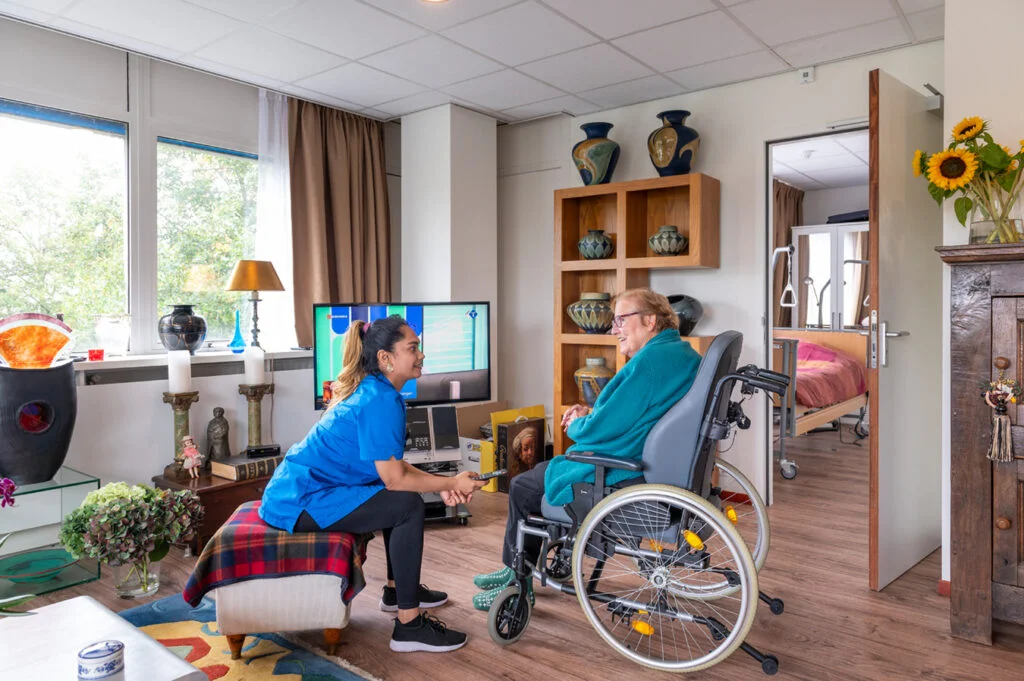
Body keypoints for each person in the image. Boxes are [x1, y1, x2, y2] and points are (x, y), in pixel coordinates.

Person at [259, 314, 486, 653]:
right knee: (407, 505)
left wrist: (442, 484)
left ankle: (397, 592)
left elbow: (390, 466)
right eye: (413, 348)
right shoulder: (380, 400)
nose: (421, 354)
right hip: (301, 500)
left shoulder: (378, 390)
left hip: (306, 490)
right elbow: (395, 480)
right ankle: (408, 626)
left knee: (406, 498)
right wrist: (450, 480)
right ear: (386, 358)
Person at [471, 288, 702, 610]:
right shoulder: (681, 354)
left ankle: (517, 579)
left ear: (650, 321)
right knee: (540, 474)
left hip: (625, 468)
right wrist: (592, 414)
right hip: (648, 458)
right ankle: (517, 566)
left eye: (622, 319)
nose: (613, 329)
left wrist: (579, 422)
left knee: (524, 485)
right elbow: (625, 414)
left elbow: (602, 427)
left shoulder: (648, 365)